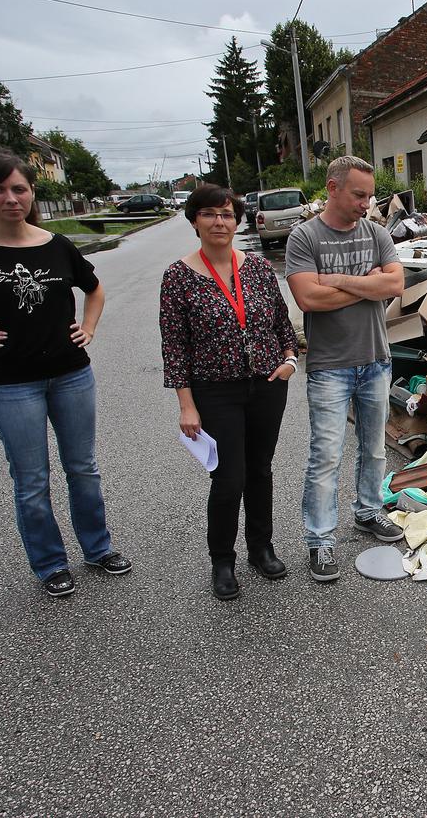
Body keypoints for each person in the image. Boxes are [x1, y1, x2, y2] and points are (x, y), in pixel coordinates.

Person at [0, 146, 131, 598]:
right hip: (9, 384)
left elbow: (95, 289)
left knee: (83, 468)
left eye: (19, 189)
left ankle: (98, 548)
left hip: (71, 375)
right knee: (32, 479)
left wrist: (89, 328)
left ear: (32, 191)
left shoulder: (56, 245)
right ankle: (50, 563)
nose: (10, 198)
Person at [159, 184, 299, 600]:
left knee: (260, 470)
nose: (219, 222)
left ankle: (261, 548)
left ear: (237, 222)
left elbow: (281, 321)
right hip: (215, 391)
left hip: (267, 385)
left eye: (226, 214)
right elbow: (174, 347)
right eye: (209, 214)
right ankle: (222, 560)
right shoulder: (178, 277)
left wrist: (290, 360)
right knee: (228, 477)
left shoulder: (257, 268)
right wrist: (186, 405)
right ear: (194, 221)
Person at [286, 156, 404, 583]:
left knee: (374, 449)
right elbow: (308, 299)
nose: (366, 204)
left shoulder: (376, 233)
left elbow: (395, 285)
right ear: (333, 188)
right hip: (329, 367)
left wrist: (335, 280)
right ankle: (320, 541)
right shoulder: (304, 237)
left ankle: (369, 512)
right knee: (326, 456)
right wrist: (368, 286)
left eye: (370, 196)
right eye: (358, 195)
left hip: (375, 359)